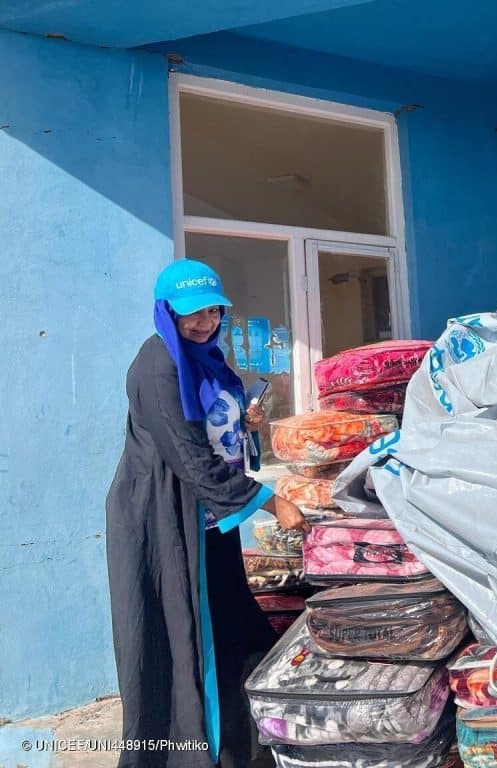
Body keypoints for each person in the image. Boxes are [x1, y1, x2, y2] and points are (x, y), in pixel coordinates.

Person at [106, 260, 311, 768]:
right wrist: (271, 501)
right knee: (186, 641)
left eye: (213, 311)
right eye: (192, 313)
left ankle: (239, 747)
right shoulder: (159, 365)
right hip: (166, 525)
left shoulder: (209, 360)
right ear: (167, 311)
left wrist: (247, 423)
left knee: (232, 632)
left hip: (211, 522)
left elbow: (216, 435)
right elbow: (190, 456)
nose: (204, 322)